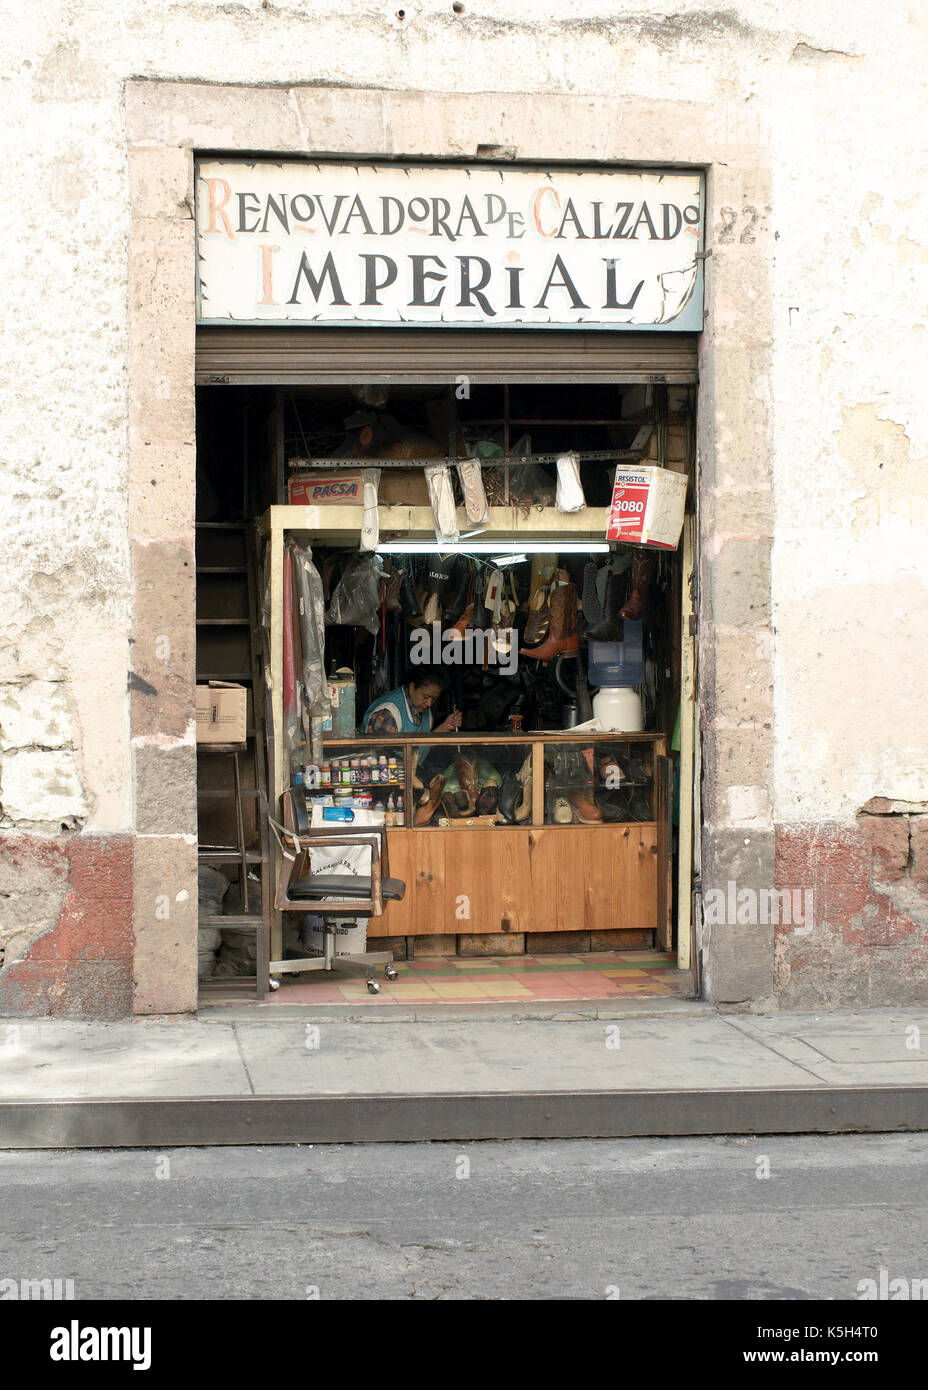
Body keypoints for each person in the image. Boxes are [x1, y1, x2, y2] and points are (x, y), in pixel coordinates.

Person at [361, 668, 462, 735]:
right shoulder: (389, 713)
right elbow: (382, 757)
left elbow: (421, 746)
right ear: (412, 687)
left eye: (434, 699)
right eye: (426, 697)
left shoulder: (422, 709)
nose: (429, 703)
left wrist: (444, 727)